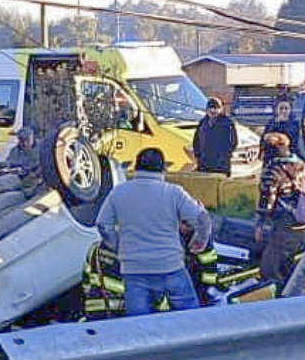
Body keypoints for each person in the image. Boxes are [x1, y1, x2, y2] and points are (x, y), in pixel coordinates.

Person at [95, 148, 212, 316]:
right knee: (190, 319)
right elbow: (202, 219)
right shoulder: (173, 192)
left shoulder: (118, 193)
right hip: (170, 266)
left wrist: (118, 246)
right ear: (162, 168)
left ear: (137, 167)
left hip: (134, 269)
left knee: (139, 326)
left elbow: (102, 225)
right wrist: (198, 244)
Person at [254, 132, 305, 289]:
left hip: (282, 221)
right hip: (300, 218)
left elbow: (267, 200)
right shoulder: (299, 165)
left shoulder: (272, 170)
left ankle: (278, 299)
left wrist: (260, 224)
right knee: (288, 262)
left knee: (270, 268)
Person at [192, 97, 237, 175]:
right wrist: (198, 156)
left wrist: (224, 155)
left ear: (220, 109)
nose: (213, 111)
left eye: (216, 108)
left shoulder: (227, 123)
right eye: (210, 108)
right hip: (204, 165)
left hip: (221, 166)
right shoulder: (203, 123)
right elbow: (196, 141)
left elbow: (233, 141)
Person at [262, 99, 305, 164]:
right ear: (276, 110)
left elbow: (290, 139)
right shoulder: (272, 122)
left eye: (286, 108)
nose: (283, 111)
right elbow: (265, 138)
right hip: (272, 155)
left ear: (290, 110)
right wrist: (276, 123)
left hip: (289, 154)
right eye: (281, 108)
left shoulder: (294, 123)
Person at [6, 127, 43, 196]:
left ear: (32, 138)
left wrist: (34, 175)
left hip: (39, 181)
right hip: (20, 180)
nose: (24, 144)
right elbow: (10, 166)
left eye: (27, 140)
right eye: (21, 141)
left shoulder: (42, 148)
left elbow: (47, 165)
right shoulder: (14, 151)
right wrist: (13, 170)